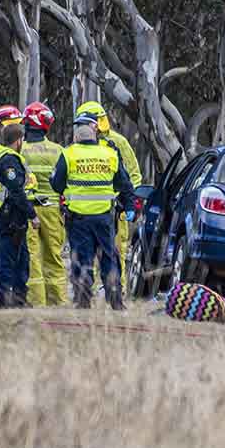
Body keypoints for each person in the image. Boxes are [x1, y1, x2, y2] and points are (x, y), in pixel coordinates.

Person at [51, 111, 133, 310]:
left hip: (78, 219)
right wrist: (129, 206)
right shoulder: (110, 154)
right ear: (94, 134)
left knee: (82, 259)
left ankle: (83, 301)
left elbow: (57, 184)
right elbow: (123, 183)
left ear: (77, 136)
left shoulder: (68, 154)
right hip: (104, 218)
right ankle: (116, 302)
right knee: (109, 258)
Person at [76, 100, 141, 295]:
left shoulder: (117, 142)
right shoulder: (79, 144)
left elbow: (134, 174)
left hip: (115, 208)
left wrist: (127, 201)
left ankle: (115, 291)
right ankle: (91, 290)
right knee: (87, 252)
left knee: (116, 251)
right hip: (86, 209)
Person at [21, 101, 68, 306]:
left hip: (28, 210)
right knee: (54, 257)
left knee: (32, 257)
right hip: (52, 210)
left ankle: (36, 302)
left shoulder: (19, 151)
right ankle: (58, 301)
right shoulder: (58, 150)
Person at [0, 123, 37, 307]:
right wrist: (32, 214)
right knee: (8, 261)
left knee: (21, 260)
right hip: (11, 216)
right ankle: (4, 302)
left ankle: (19, 300)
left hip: (5, 214)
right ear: (18, 140)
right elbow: (16, 190)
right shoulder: (8, 160)